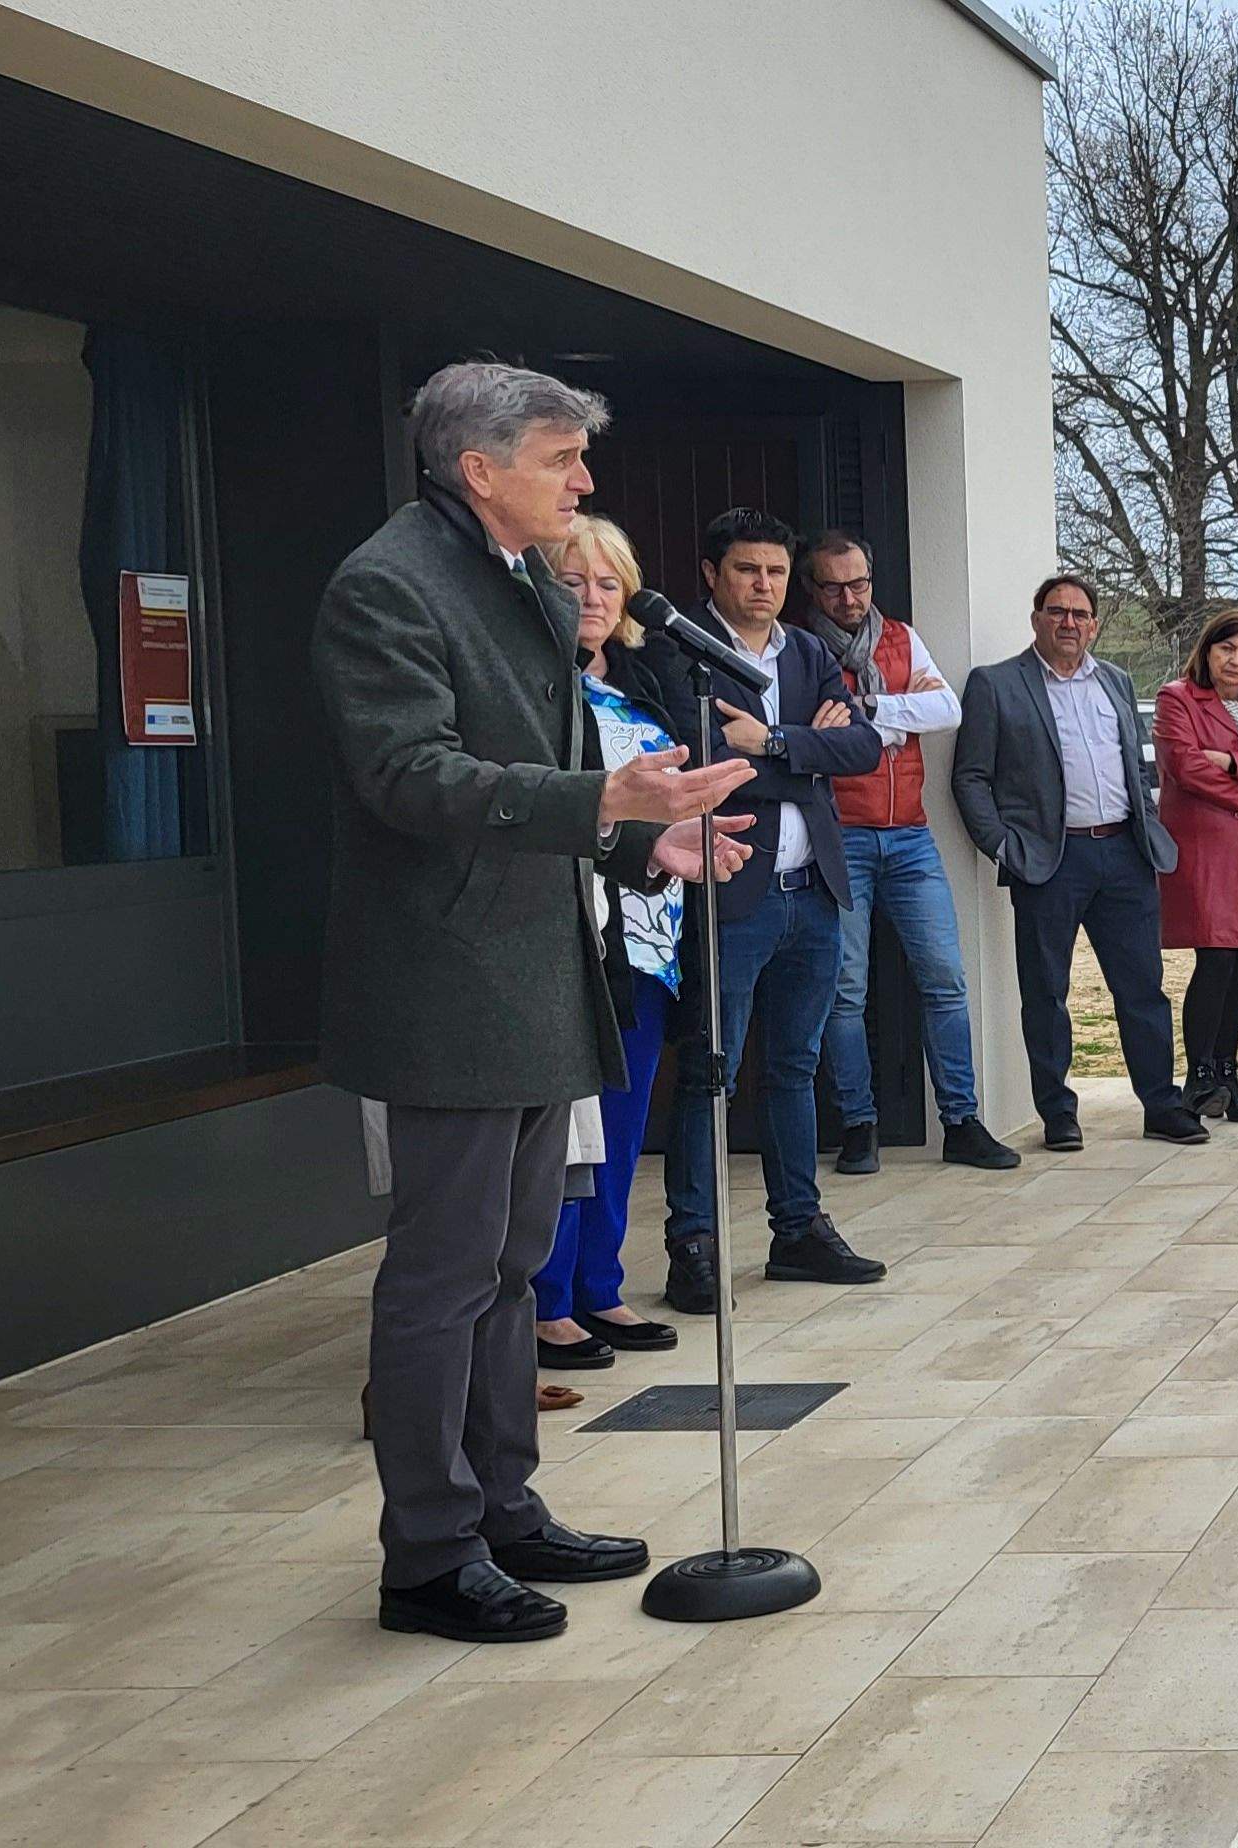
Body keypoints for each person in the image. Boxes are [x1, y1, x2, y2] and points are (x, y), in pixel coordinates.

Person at [318, 361, 751, 1642]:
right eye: (564, 459)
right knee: (442, 1277)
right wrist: (606, 807)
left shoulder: (508, 575)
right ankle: (428, 1558)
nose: (586, 483)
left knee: (509, 1270)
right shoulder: (387, 586)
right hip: (447, 981)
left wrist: (639, 847)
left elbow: (553, 774)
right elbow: (410, 777)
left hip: (528, 967)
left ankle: (503, 1509)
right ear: (480, 468)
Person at [645, 508, 891, 1313]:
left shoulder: (811, 651)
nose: (764, 585)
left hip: (812, 893)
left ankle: (797, 1230)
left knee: (794, 1067)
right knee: (709, 1073)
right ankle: (695, 1244)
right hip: (730, 893)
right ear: (712, 573)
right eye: (748, 570)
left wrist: (772, 743)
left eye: (777, 572)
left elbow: (859, 750)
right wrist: (795, 752)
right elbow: (698, 768)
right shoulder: (680, 655)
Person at [950, 574, 1202, 1149]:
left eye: (1081, 614)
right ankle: (1058, 1114)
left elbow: (1135, 765)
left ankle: (1161, 1104)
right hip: (1049, 860)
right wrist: (1003, 844)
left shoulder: (1113, 679)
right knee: (1046, 992)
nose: (1069, 622)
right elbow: (970, 777)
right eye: (1057, 611)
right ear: (1036, 618)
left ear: (1094, 625)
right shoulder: (996, 685)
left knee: (1142, 987)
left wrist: (1148, 822)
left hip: (1123, 854)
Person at [801, 528, 1011, 1175]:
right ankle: (860, 1126)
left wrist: (867, 708)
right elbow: (807, 737)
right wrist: (894, 716)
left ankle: (962, 1121)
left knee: (944, 981)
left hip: (911, 836)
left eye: (859, 583)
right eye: (834, 586)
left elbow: (944, 707)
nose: (849, 597)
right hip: (840, 838)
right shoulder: (800, 653)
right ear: (813, 589)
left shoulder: (900, 637)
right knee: (845, 992)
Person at [533, 516, 685, 1378]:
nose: (590, 599)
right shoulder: (536, 691)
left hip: (650, 936)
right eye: (571, 580)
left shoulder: (641, 689)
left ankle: (599, 1281)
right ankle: (546, 1300)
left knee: (621, 1129)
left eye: (606, 584)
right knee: (564, 1136)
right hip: (570, 938)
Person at [1153, 608, 1238, 1126]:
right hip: (1204, 851)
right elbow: (1184, 767)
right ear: (1208, 650)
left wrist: (1234, 764)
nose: (1235, 661)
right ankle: (1200, 1078)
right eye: (1226, 649)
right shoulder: (1177, 699)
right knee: (1213, 961)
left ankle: (1229, 1073)